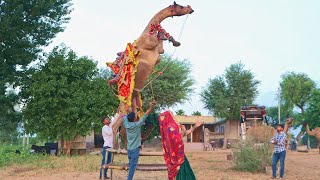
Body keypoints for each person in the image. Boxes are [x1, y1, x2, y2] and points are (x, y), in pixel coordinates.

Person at [158, 111, 203, 180]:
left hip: (172, 158)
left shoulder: (166, 129)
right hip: (178, 157)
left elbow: (180, 136)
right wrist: (183, 130)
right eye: (172, 114)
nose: (173, 116)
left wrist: (194, 126)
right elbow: (178, 139)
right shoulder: (172, 127)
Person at [123, 100, 157, 180]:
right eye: (135, 116)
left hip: (129, 149)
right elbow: (146, 114)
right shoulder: (137, 125)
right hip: (135, 150)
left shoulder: (126, 124)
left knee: (131, 165)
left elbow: (124, 116)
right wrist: (152, 105)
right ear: (135, 118)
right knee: (132, 168)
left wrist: (126, 109)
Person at [100, 114, 119, 179]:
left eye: (108, 119)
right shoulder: (104, 128)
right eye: (106, 119)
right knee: (104, 161)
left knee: (108, 162)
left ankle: (104, 175)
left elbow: (115, 119)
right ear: (104, 122)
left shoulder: (110, 126)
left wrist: (118, 113)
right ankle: (101, 175)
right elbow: (110, 133)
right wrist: (114, 127)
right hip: (106, 147)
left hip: (111, 147)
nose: (108, 120)